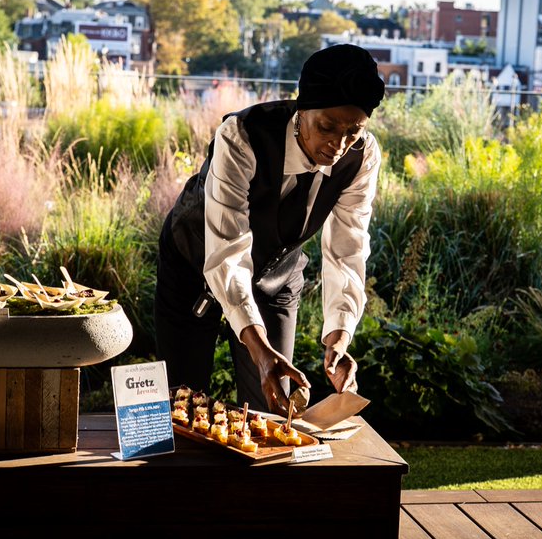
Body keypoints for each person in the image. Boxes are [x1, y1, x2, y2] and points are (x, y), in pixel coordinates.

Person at [154, 44, 384, 413]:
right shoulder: (243, 135)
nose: (338, 145)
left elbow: (347, 250)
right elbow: (226, 251)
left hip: (275, 277)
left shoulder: (362, 157)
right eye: (326, 127)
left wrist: (340, 335)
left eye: (352, 132)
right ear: (302, 108)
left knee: (272, 409)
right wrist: (257, 349)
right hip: (194, 265)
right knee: (181, 405)